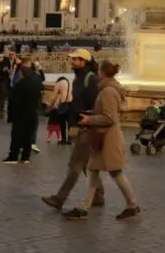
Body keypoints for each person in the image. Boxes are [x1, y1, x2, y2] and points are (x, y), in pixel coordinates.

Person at [62, 60, 141, 221]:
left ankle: (131, 205)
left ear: (102, 73)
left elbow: (109, 118)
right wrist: (90, 115)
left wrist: (89, 120)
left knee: (115, 173)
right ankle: (84, 208)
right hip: (104, 137)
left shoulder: (108, 92)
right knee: (93, 171)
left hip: (108, 139)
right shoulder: (109, 89)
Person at [42, 49, 104, 210]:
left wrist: (87, 120)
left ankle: (60, 198)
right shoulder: (78, 78)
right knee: (87, 164)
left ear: (84, 61)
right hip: (78, 125)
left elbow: (95, 104)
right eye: (73, 59)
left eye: (76, 59)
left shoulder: (90, 79)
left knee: (75, 165)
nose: (73, 62)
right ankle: (99, 194)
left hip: (86, 127)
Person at [3, 61, 42, 164]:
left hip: (20, 114)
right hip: (32, 113)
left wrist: (10, 114)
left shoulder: (21, 85)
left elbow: (14, 101)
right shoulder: (36, 82)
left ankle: (13, 157)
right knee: (28, 137)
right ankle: (25, 157)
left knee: (16, 136)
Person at [47, 76, 70, 143]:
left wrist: (49, 105)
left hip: (62, 104)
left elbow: (54, 96)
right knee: (69, 123)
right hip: (70, 104)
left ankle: (63, 139)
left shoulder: (59, 83)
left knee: (61, 122)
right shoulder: (69, 83)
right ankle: (70, 139)